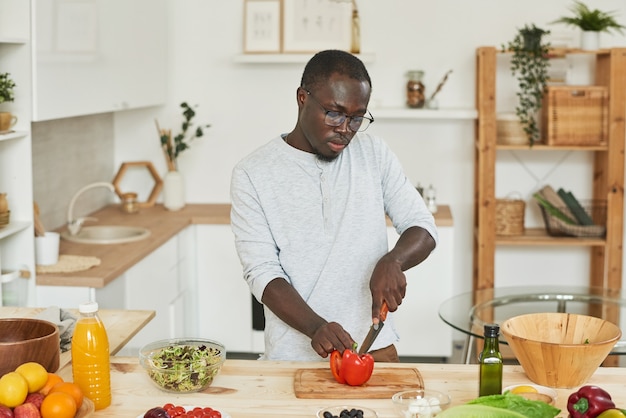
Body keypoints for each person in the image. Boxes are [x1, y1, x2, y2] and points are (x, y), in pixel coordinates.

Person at [230, 49, 438, 362]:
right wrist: (316, 327)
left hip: (374, 350)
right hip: (292, 356)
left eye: (357, 118)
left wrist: (394, 261)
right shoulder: (253, 172)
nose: (345, 128)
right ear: (303, 98)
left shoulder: (374, 153)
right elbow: (261, 271)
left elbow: (422, 225)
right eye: (334, 113)